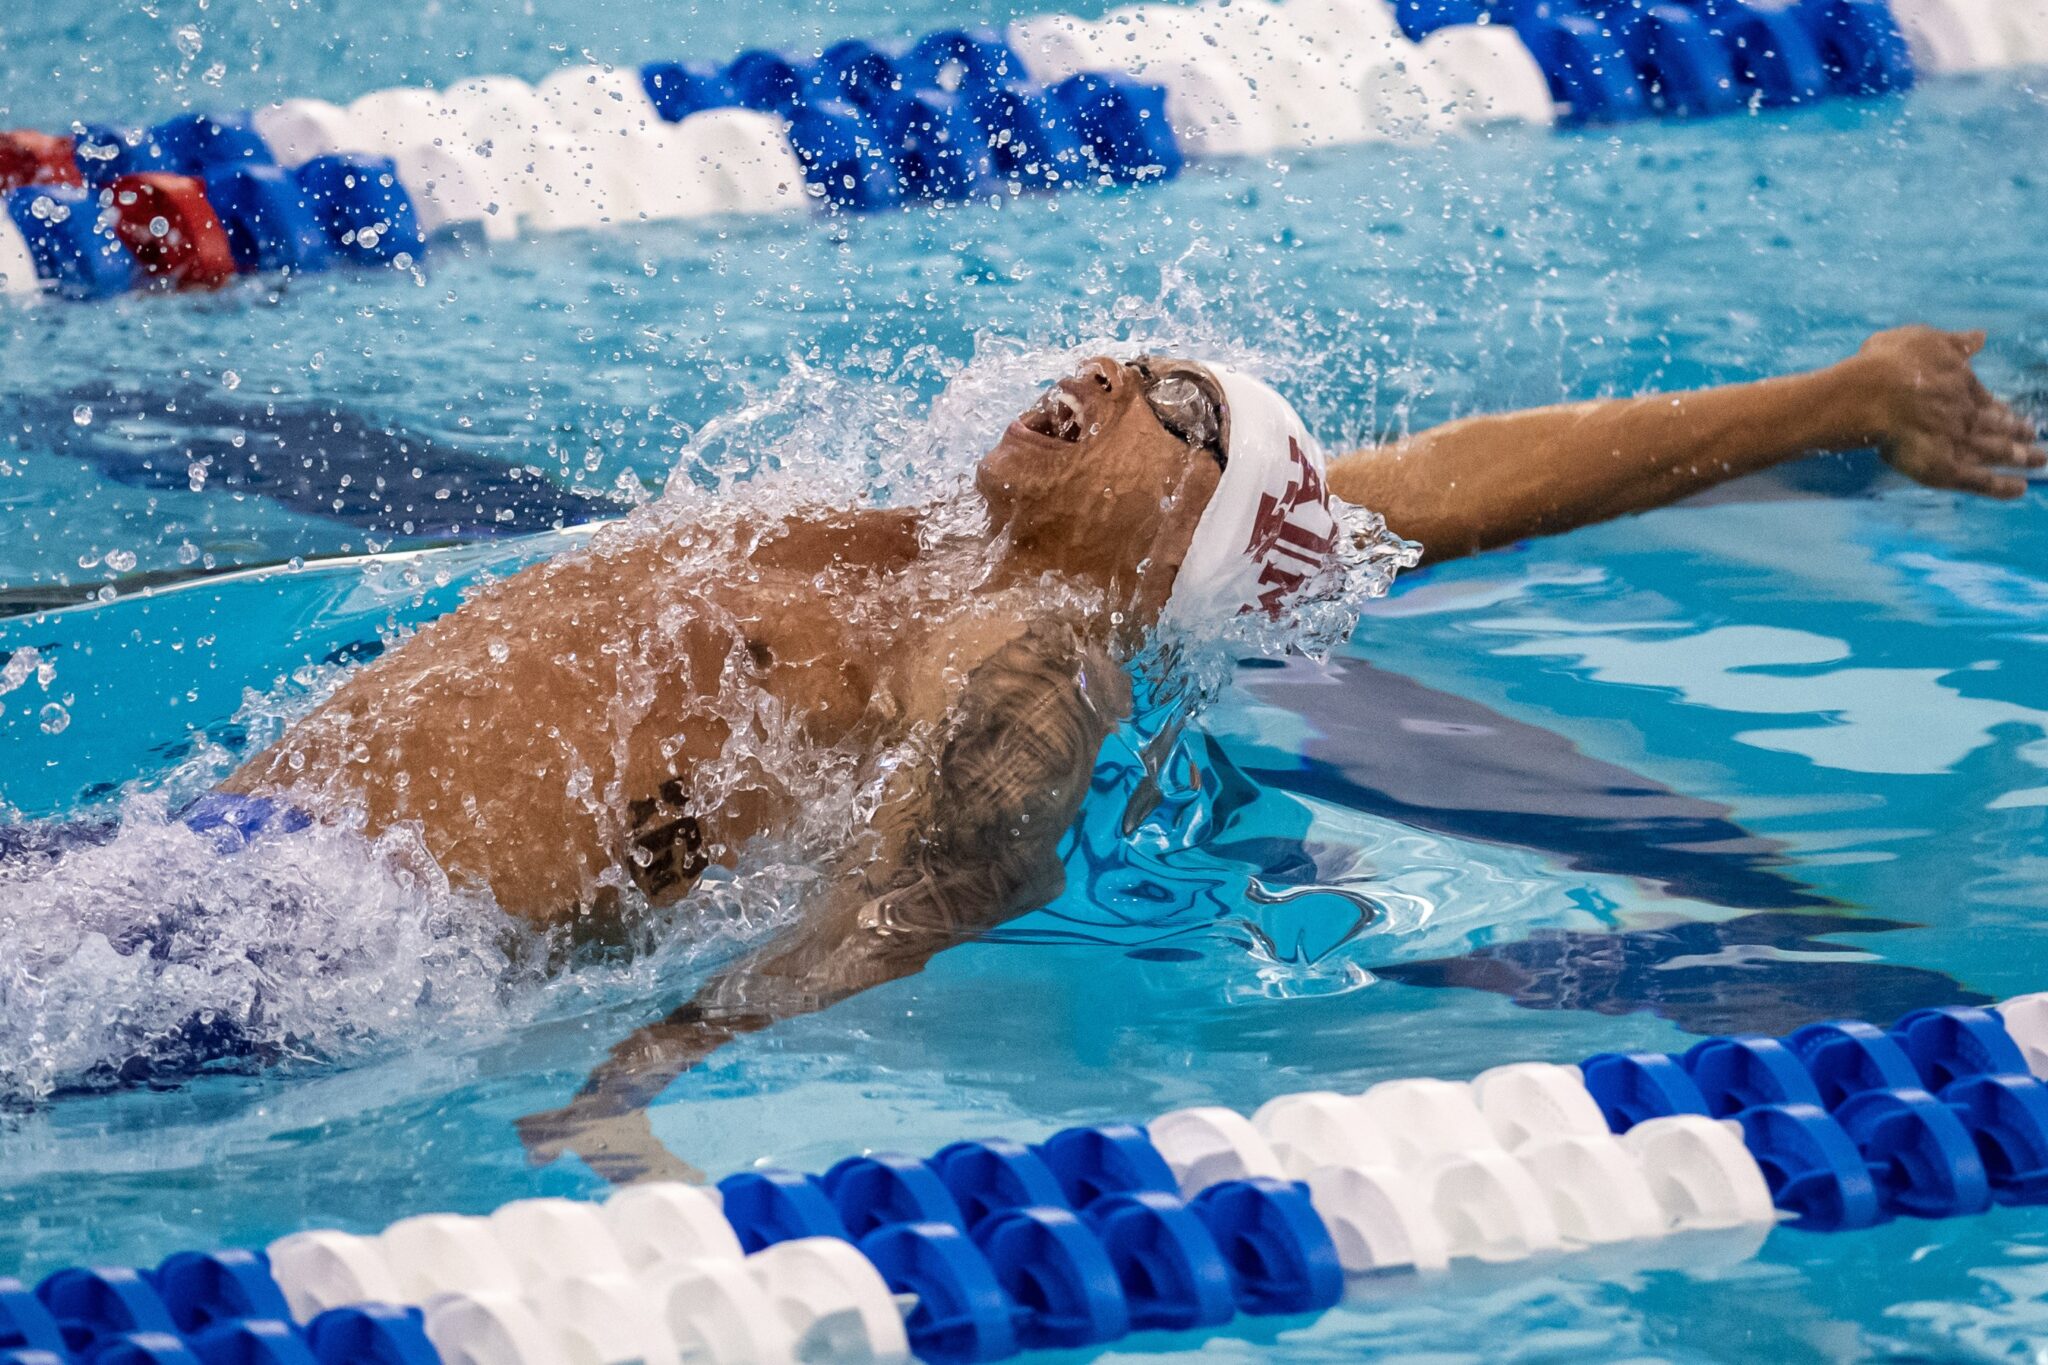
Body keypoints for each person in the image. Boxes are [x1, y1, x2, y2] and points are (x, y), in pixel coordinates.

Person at [216, 324, 2042, 1180]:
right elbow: (1418, 494)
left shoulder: (1024, 643)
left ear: (1172, 538)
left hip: (297, 954)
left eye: (1172, 409)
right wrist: (1836, 398)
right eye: (1139, 361)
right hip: (220, 859)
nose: (1106, 375)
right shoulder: (951, 547)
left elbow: (966, 868)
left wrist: (652, 1070)